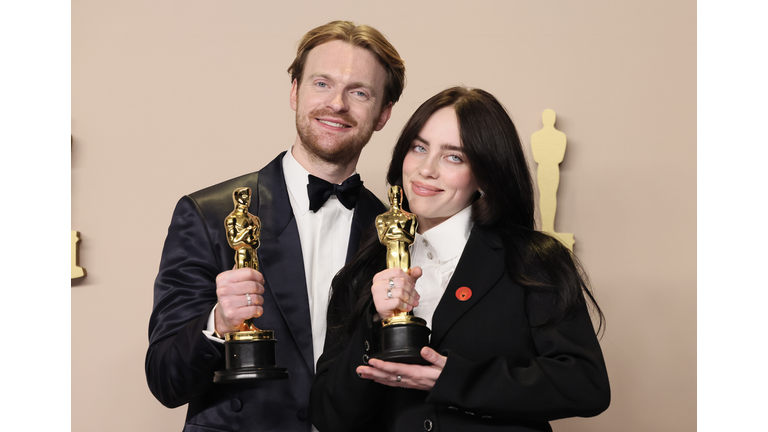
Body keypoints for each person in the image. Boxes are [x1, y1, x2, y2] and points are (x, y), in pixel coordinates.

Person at [145, 21, 405, 432]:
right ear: (295, 92)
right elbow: (164, 380)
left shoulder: (395, 230)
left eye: (359, 92)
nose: (337, 104)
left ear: (383, 114)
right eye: (322, 83)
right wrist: (217, 324)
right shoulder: (207, 213)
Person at [311, 86, 611, 432]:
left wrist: (455, 379)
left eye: (453, 157)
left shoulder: (531, 260)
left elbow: (585, 385)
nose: (425, 169)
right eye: (419, 147)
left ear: (484, 176)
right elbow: (329, 416)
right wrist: (372, 319)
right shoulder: (362, 273)